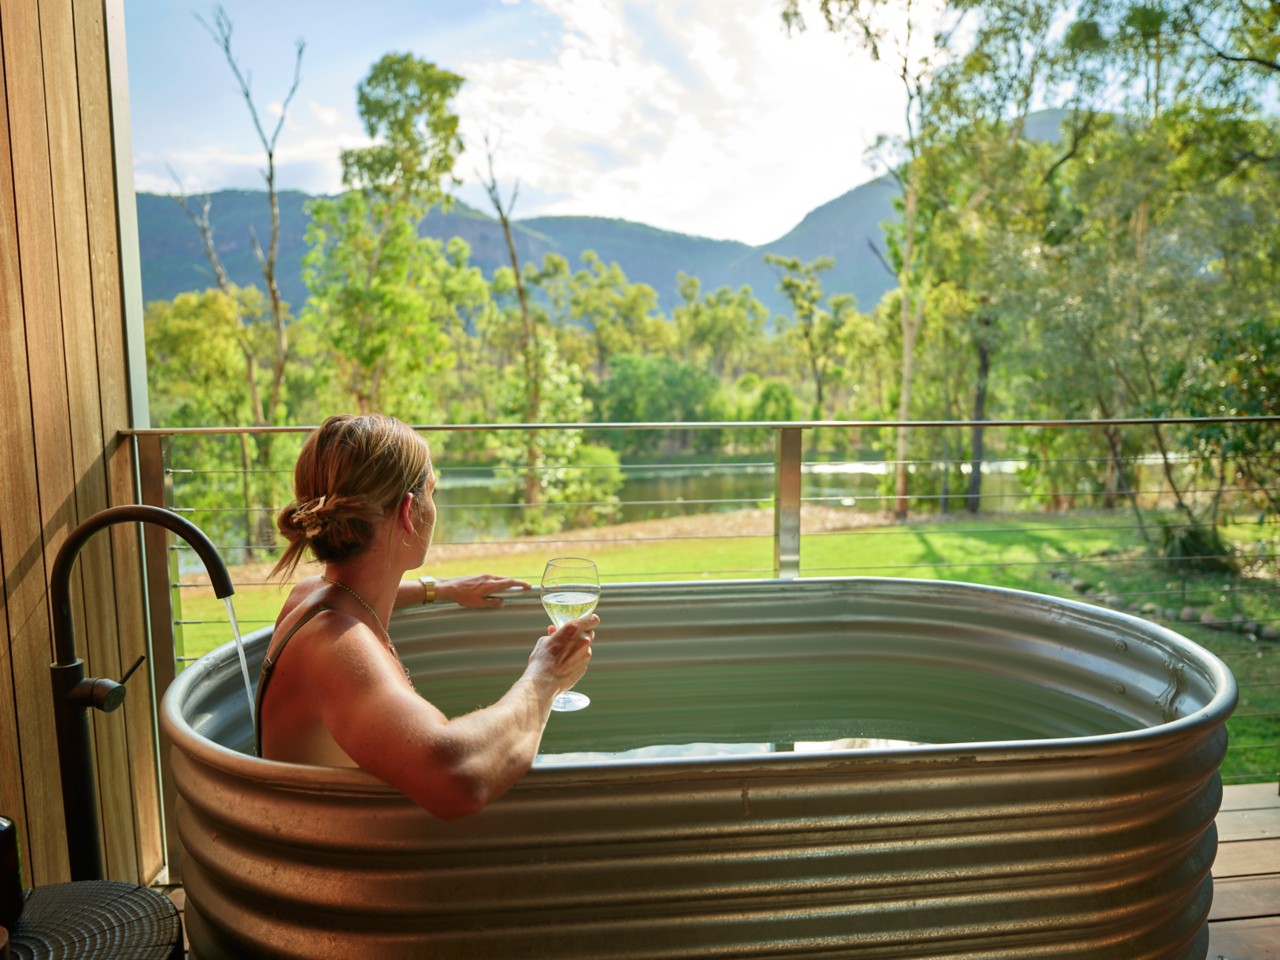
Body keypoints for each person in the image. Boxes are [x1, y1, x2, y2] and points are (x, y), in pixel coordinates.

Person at [257, 413, 596, 819]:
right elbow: (459, 777)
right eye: (432, 492)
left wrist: (440, 589)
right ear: (408, 511)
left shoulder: (311, 595)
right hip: (325, 857)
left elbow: (361, 597)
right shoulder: (335, 647)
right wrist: (546, 676)